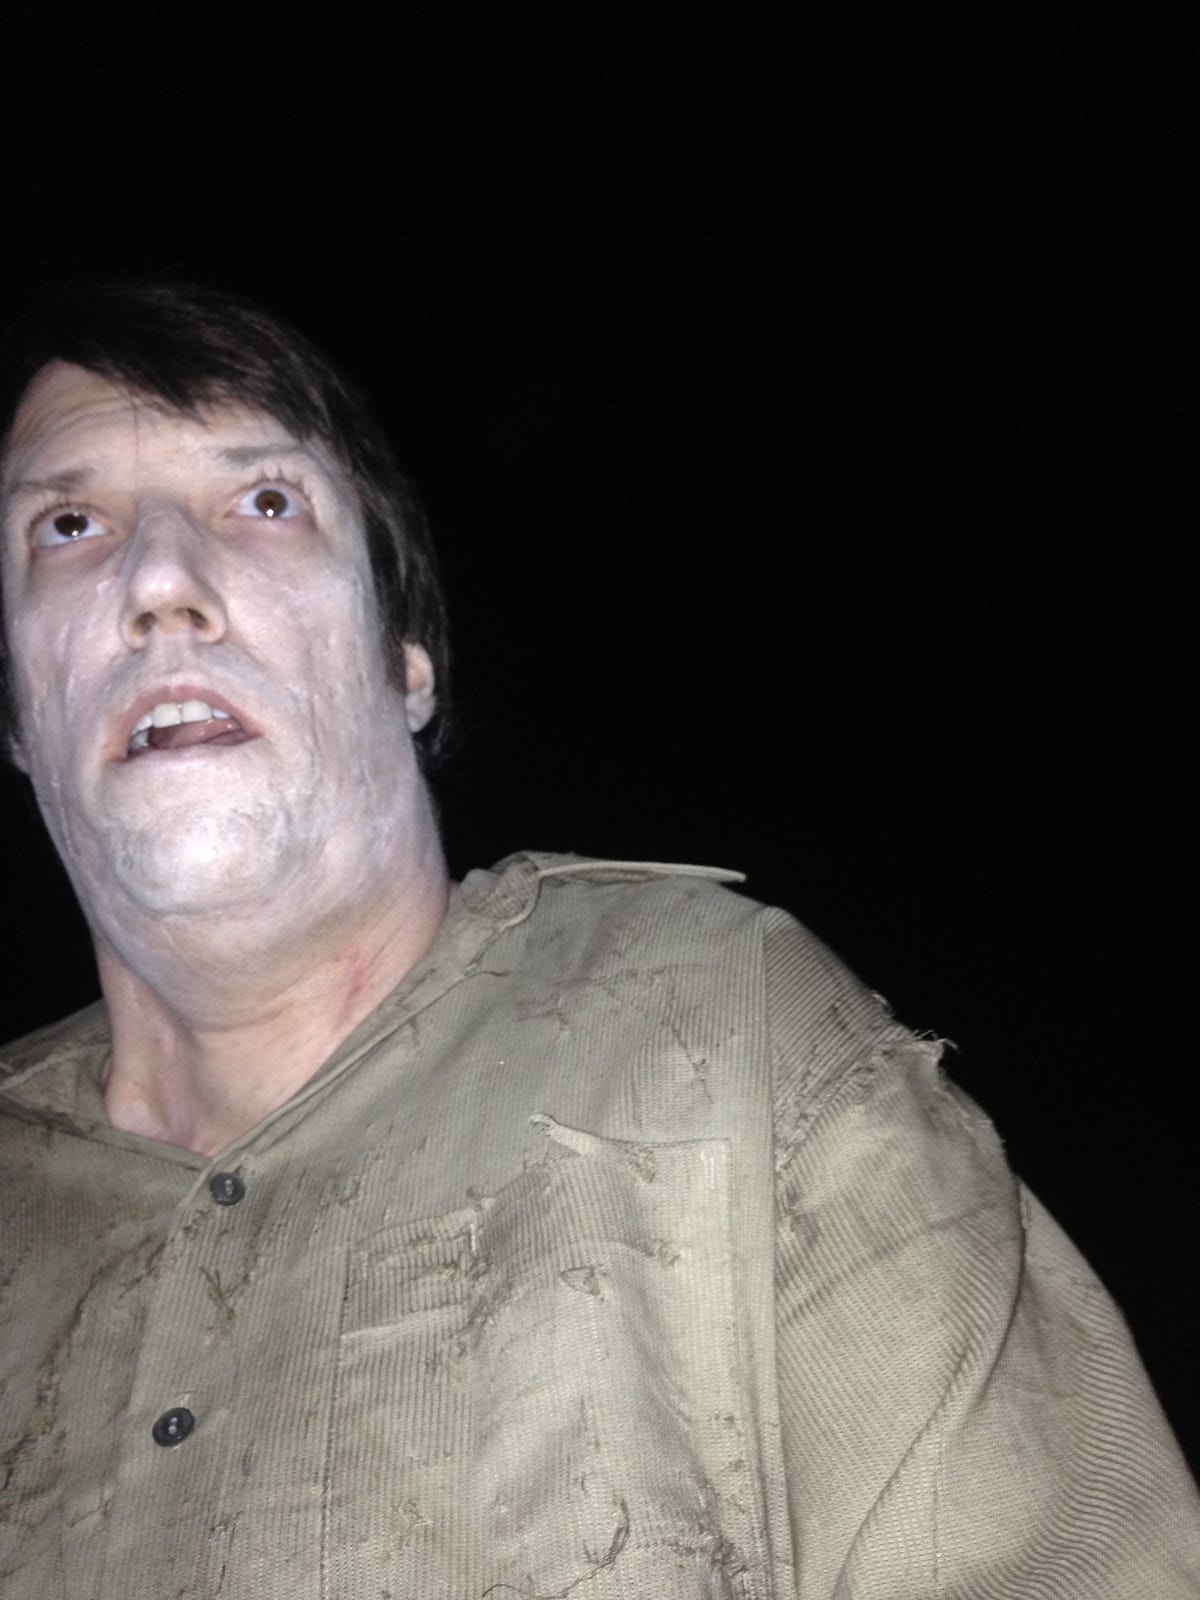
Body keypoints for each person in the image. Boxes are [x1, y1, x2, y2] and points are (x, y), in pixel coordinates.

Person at [0, 281, 1195, 1600]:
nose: (159, 584)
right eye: (68, 527)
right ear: (16, 711)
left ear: (406, 661)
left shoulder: (726, 1033)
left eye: (266, 502)